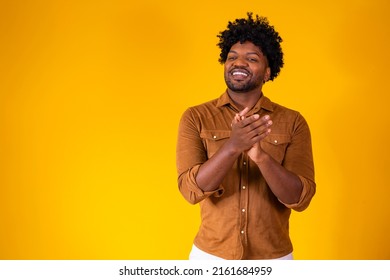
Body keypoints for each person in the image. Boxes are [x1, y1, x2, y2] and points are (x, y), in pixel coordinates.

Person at [176, 12, 316, 260]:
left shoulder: (293, 122)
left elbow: (300, 198)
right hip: (211, 258)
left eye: (251, 59)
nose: (238, 63)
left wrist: (261, 157)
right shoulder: (196, 117)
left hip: (274, 260)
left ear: (268, 72)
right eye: (232, 58)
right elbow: (191, 191)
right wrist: (232, 146)